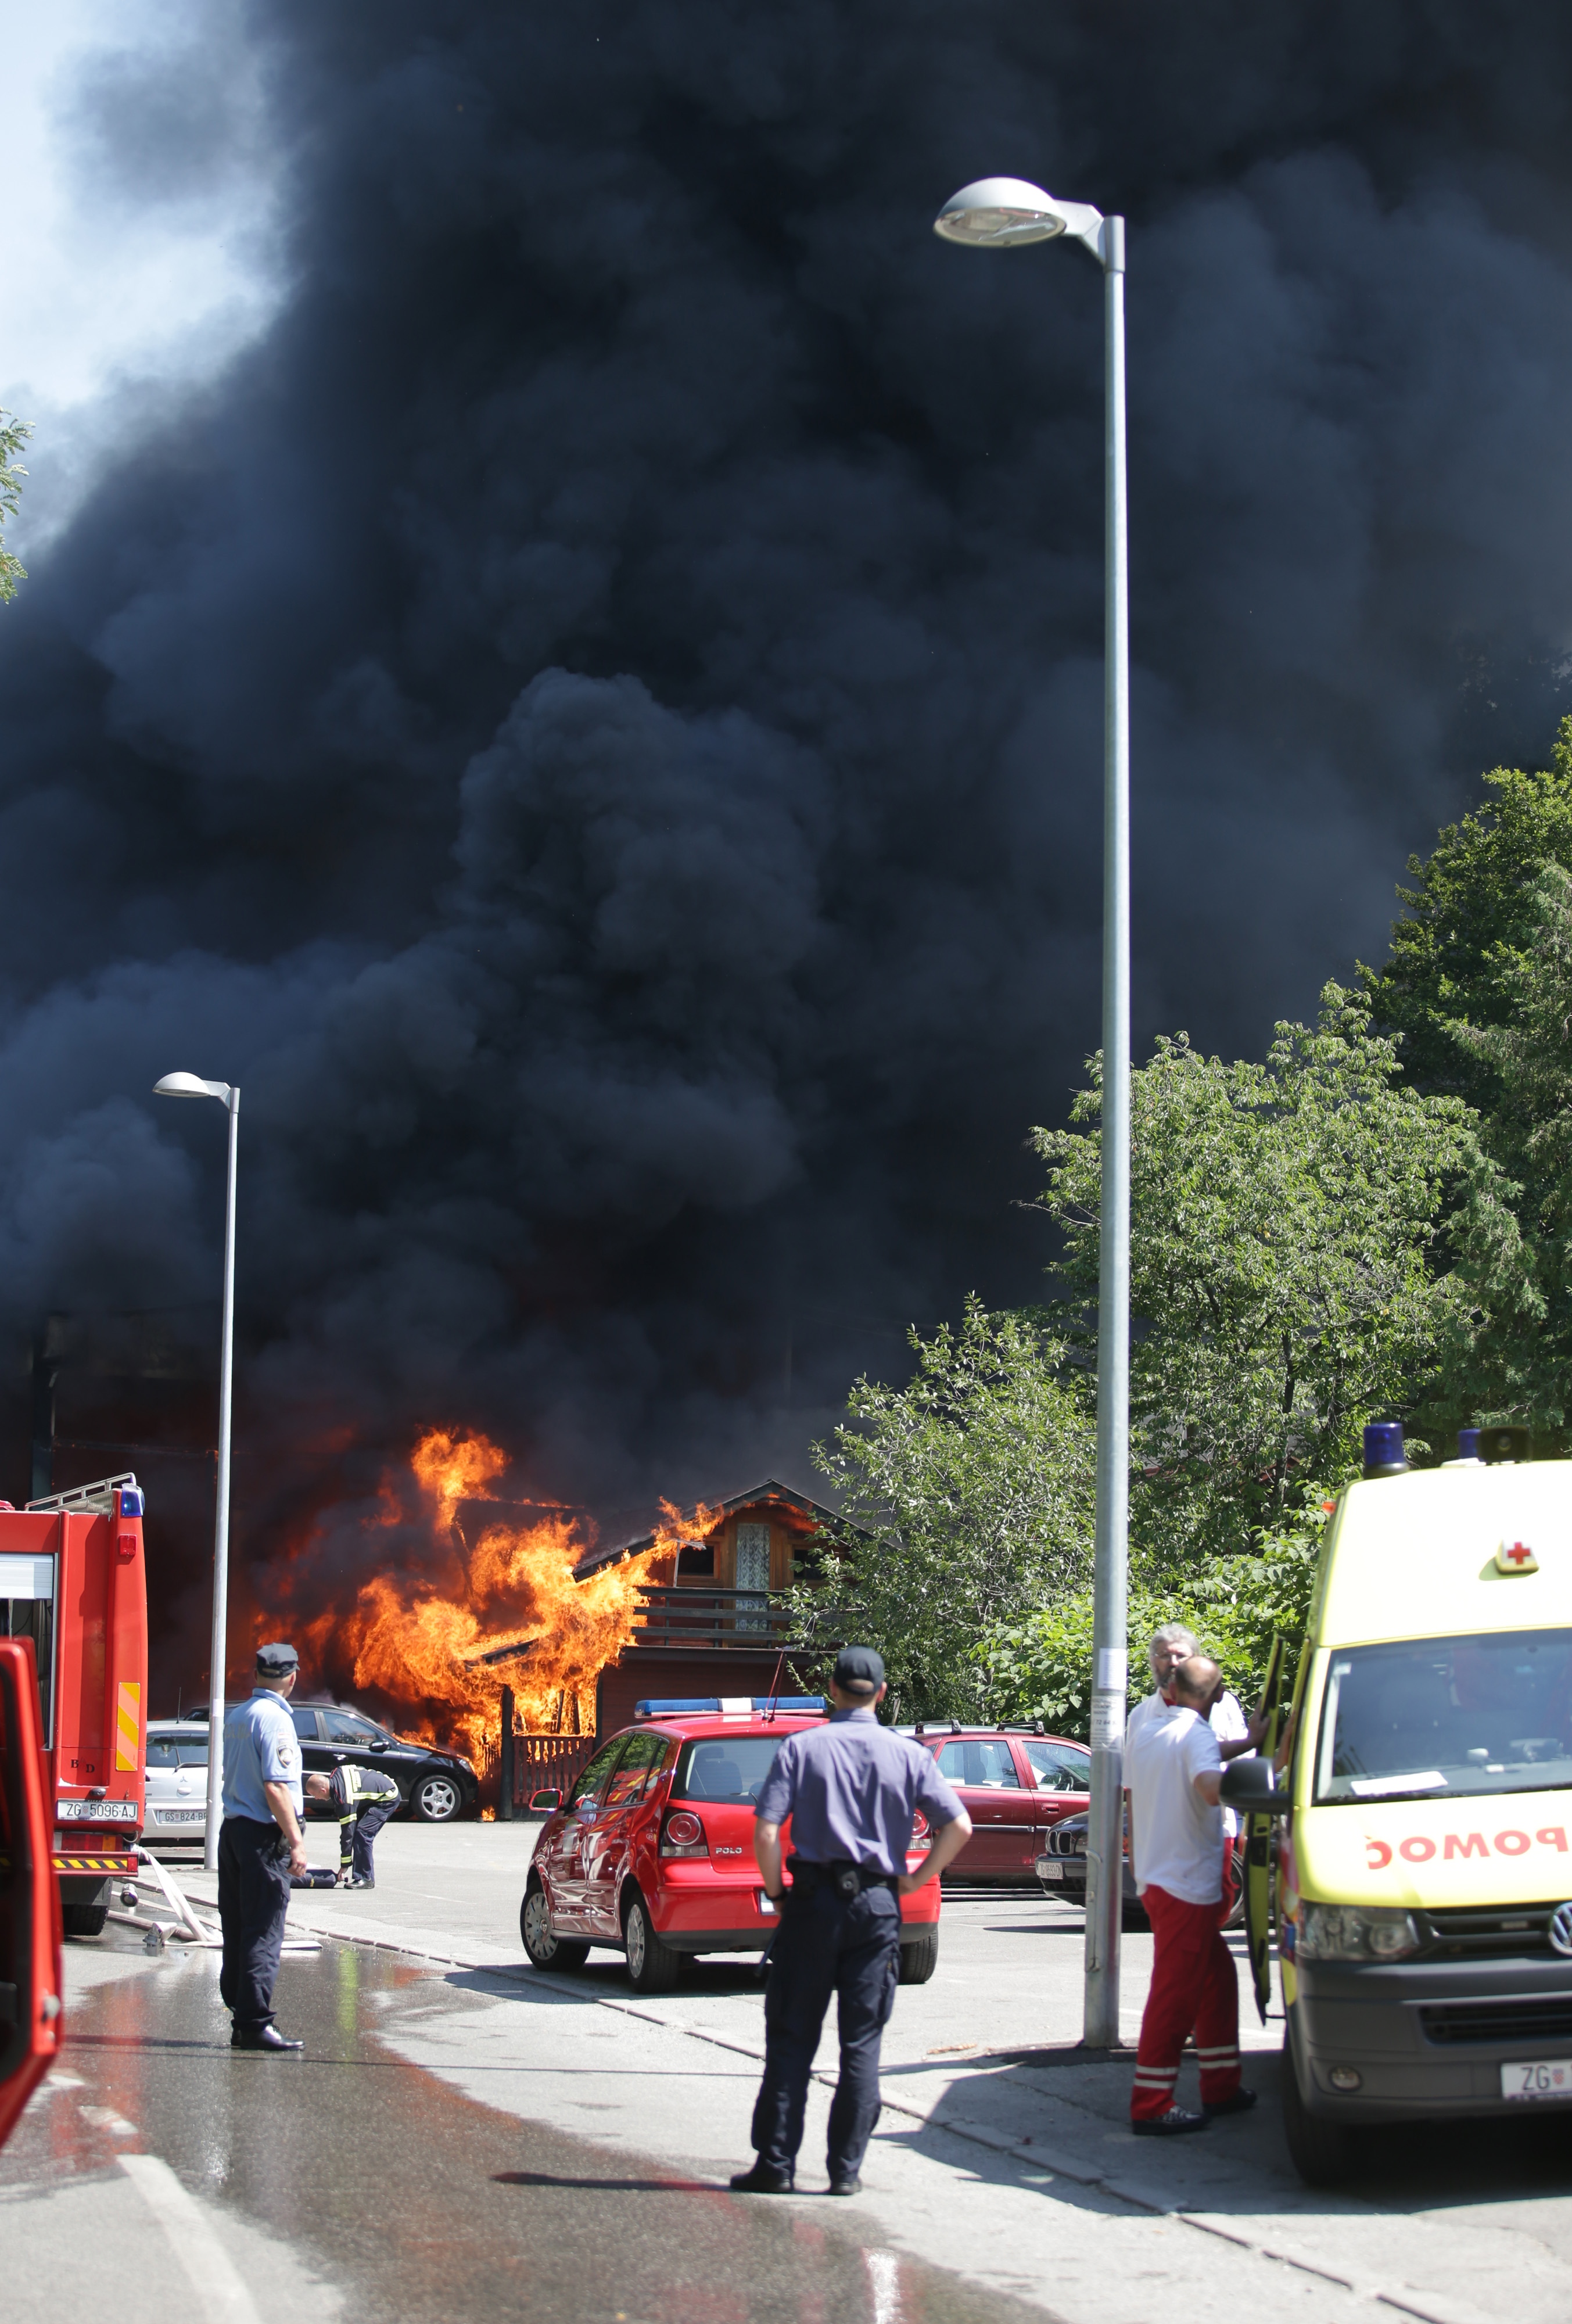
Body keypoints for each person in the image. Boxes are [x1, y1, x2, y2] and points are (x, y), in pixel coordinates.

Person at [729, 1647, 972, 2199]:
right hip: (877, 1906)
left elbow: (766, 1832)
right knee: (861, 2044)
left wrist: (776, 1893)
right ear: (882, 1694)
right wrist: (914, 1878)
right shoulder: (908, 1755)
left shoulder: (801, 1747)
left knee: (793, 2038)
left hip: (813, 1904)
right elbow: (958, 1826)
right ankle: (846, 2170)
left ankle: (776, 2164)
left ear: (832, 1690)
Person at [1124, 1653, 1255, 2136]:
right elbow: (1206, 1785)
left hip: (1160, 1878)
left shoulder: (1149, 1730)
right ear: (1217, 1696)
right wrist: (1259, 1777)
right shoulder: (1197, 1735)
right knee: (1174, 1996)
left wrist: (1251, 1744)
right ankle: (1152, 2101)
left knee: (1217, 1980)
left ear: (1172, 1689)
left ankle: (1221, 2084)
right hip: (1186, 1885)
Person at [1128, 1623, 1264, 1918]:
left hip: (1216, 1829)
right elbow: (1132, 1789)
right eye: (1164, 1655)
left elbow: (1242, 1762)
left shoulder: (1224, 1704)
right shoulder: (1142, 1717)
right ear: (1152, 1661)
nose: (1173, 1663)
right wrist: (1136, 1852)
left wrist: (1250, 1824)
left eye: (1181, 1655)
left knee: (1217, 1908)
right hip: (1164, 1843)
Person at [219, 1641, 308, 2053]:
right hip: (262, 1838)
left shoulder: (239, 1716)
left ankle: (240, 2010)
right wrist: (296, 1843)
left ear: (255, 1675)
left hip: (234, 1832)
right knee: (264, 1931)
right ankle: (254, 2022)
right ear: (292, 1679)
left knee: (237, 1926)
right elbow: (275, 1786)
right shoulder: (276, 1721)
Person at [324, 1753, 401, 1886]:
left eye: (315, 1795)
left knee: (362, 1834)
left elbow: (348, 1832)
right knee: (359, 1832)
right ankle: (364, 1875)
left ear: (322, 1789)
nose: (315, 1798)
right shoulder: (336, 1773)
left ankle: (365, 1878)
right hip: (379, 1789)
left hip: (387, 1797)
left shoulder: (344, 1800)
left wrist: (345, 1864)